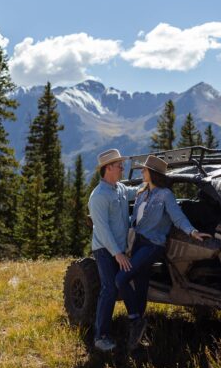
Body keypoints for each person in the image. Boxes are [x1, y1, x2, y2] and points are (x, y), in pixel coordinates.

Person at [119, 155, 210, 349]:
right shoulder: (142, 192)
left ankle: (135, 320)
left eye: (144, 170)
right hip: (137, 242)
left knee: (121, 279)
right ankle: (138, 331)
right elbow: (133, 219)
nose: (142, 172)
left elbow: (178, 217)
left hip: (153, 245)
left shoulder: (165, 195)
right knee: (141, 286)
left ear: (152, 173)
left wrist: (192, 232)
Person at [87, 148, 139, 353]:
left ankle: (134, 323)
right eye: (119, 166)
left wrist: (152, 183)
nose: (122, 168)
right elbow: (102, 230)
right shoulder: (98, 196)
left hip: (119, 249)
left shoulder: (119, 189)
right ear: (108, 168)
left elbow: (136, 192)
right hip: (105, 250)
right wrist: (117, 253)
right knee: (109, 289)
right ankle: (100, 336)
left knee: (122, 283)